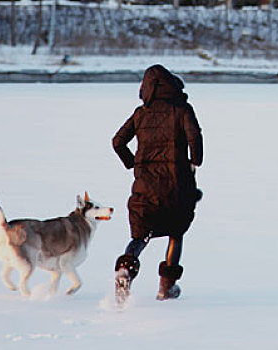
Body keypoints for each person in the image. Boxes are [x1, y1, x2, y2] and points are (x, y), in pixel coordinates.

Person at [112, 64, 203, 301]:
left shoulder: (140, 113)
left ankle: (125, 270)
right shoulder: (182, 109)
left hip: (146, 184)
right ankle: (167, 288)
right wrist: (195, 161)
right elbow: (194, 137)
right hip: (177, 183)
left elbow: (117, 142)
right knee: (176, 230)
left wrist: (133, 164)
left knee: (141, 234)